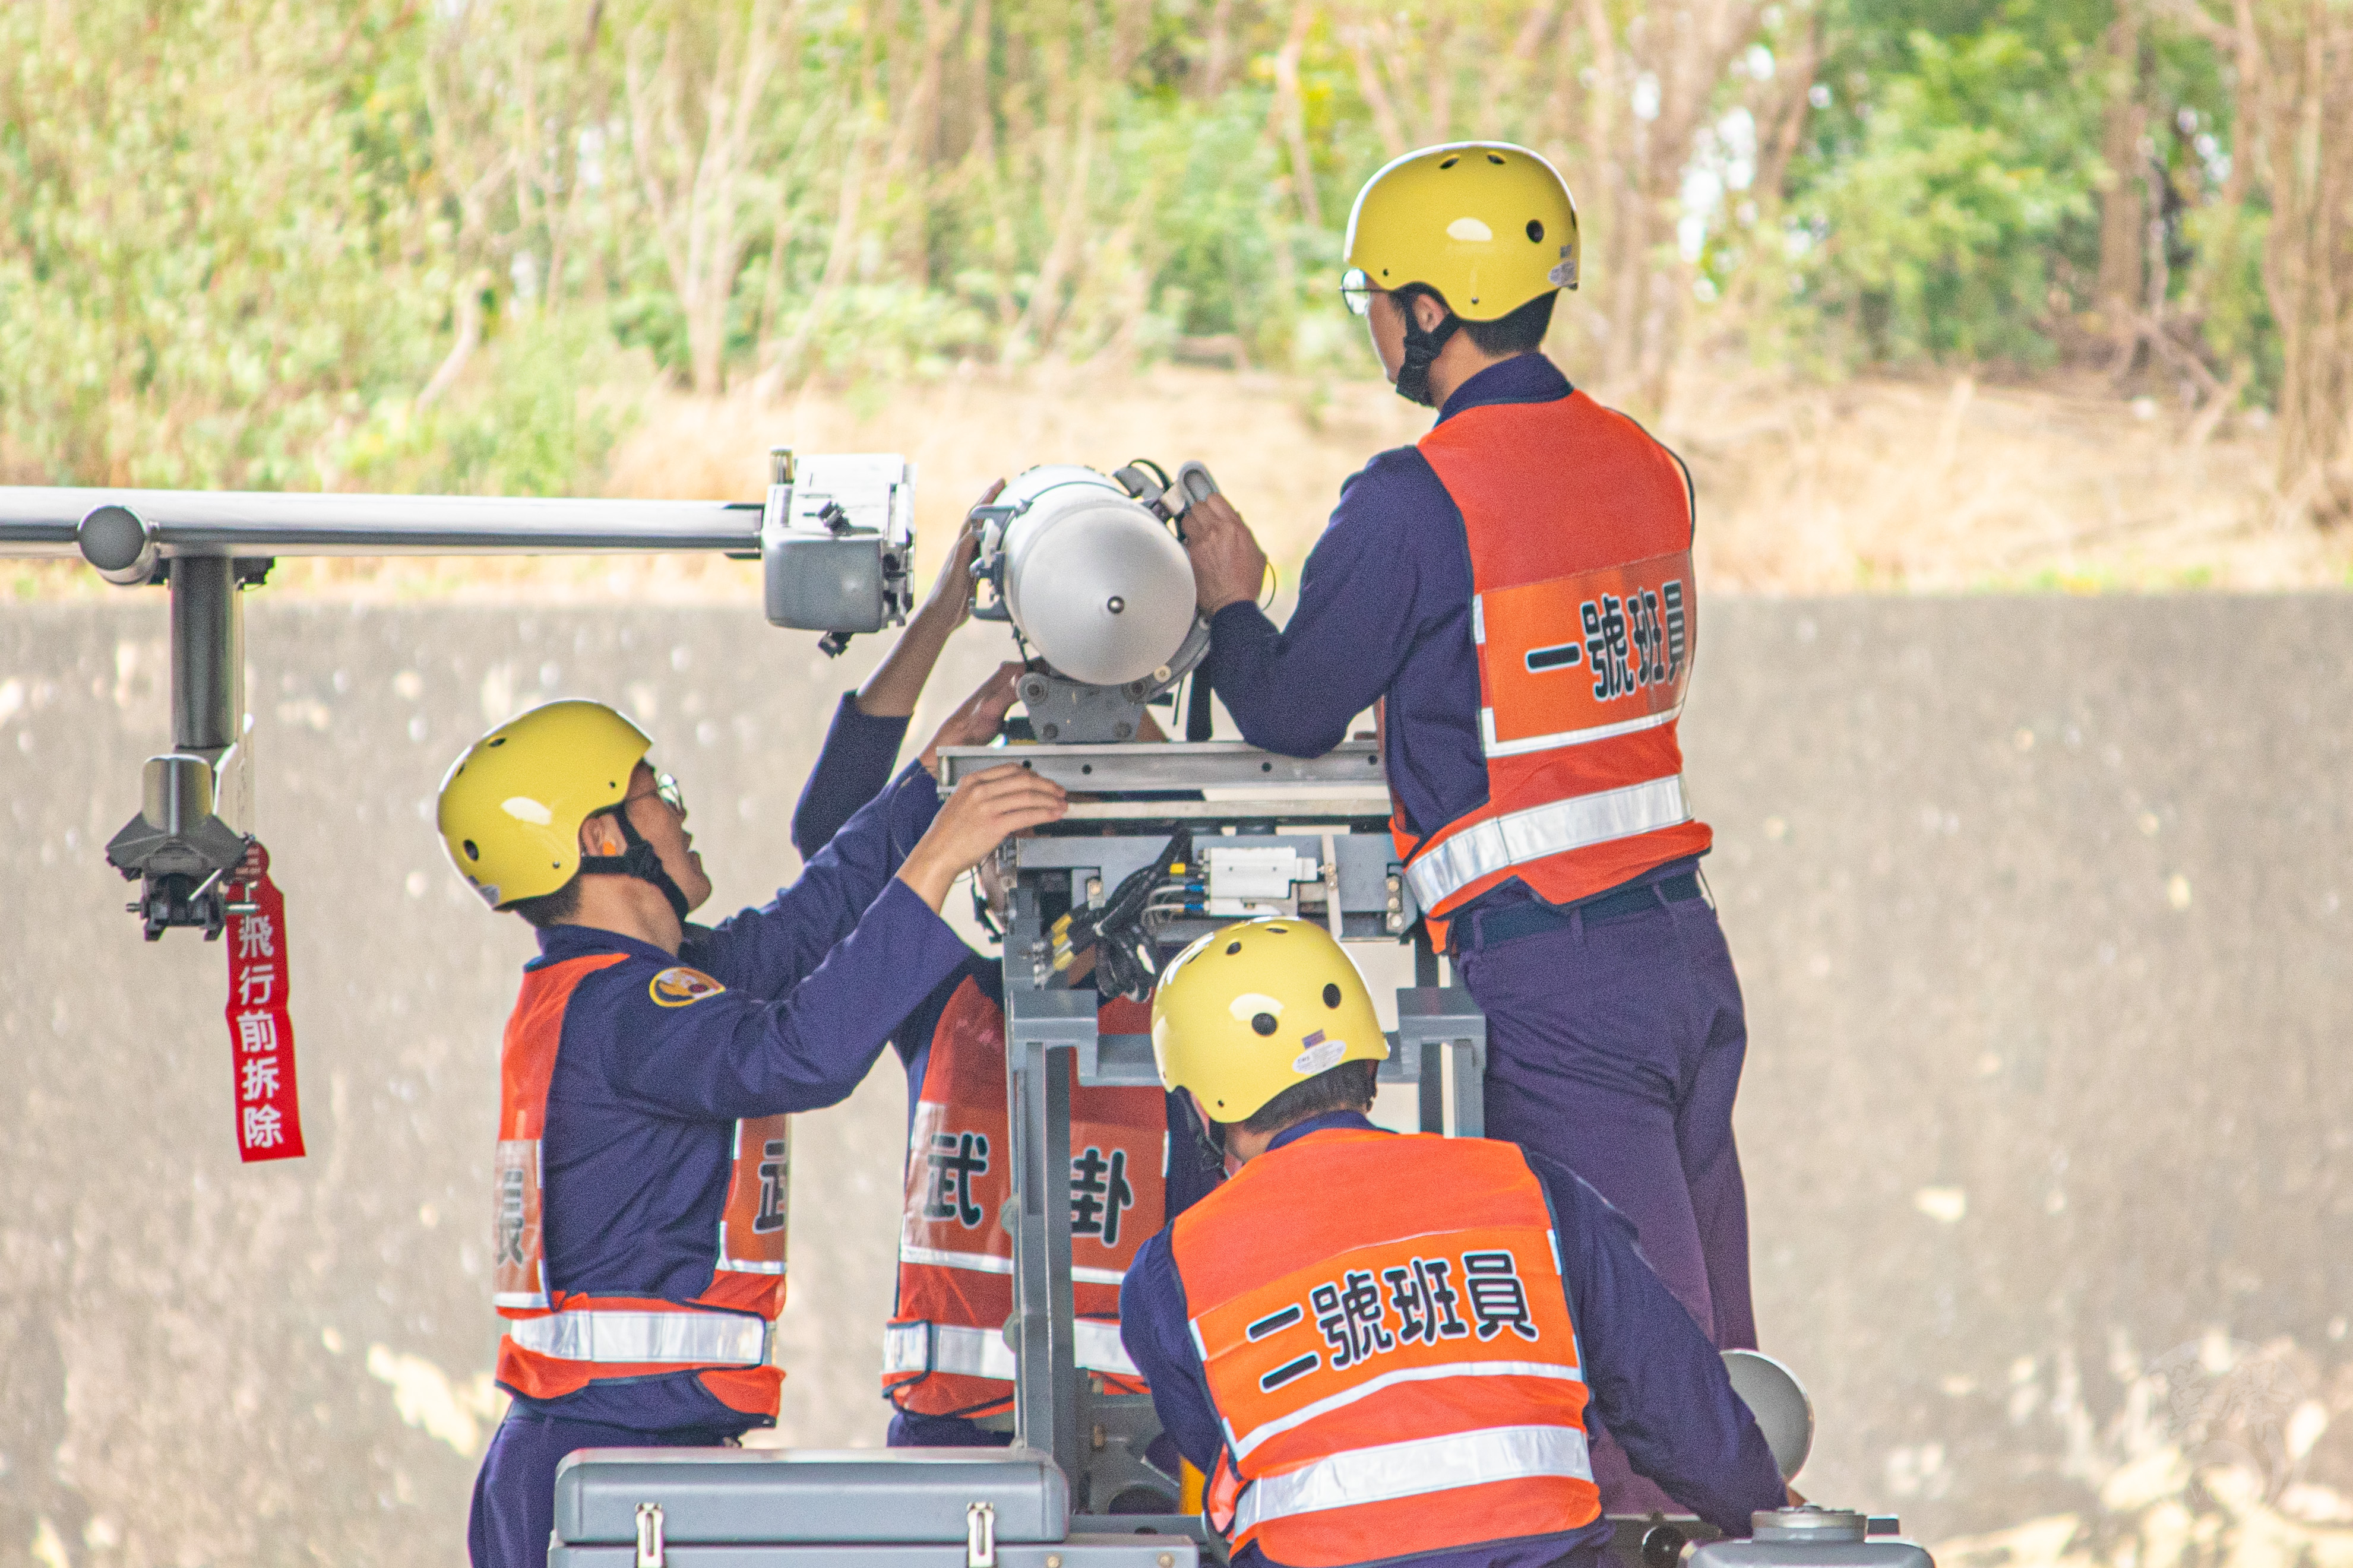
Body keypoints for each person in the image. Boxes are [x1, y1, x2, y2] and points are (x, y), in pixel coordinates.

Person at [1174, 142, 1751, 1508]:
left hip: (1551, 970)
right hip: (1682, 953)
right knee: (1710, 1325)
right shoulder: (1646, 467)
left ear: (1432, 309)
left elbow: (1297, 709)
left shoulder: (1412, 499)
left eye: (1381, 293)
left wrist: (1230, 599)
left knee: (1630, 1356)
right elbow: (1533, 666)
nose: (1374, 318)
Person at [438, 688, 1067, 1568]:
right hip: (602, 1465)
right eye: (657, 793)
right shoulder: (629, 1012)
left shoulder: (623, 989)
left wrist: (927, 780)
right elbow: (800, 1054)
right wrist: (937, 862)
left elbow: (803, 927)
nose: (681, 816)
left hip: (616, 1449)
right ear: (600, 836)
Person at [1120, 917, 1786, 1568]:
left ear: (1200, 1110)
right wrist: (1773, 1519)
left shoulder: (1170, 1272)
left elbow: (1224, 1458)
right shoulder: (1533, 1191)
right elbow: (1682, 1414)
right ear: (1364, 1054)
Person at [785, 504, 1220, 1454]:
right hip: (945, 1449)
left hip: (1137, 1450)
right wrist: (938, 622)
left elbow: (1214, 844)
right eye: (1000, 826)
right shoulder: (946, 1000)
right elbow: (834, 846)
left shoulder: (1192, 1015)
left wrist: (1126, 695)